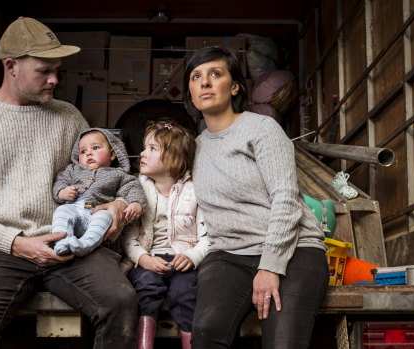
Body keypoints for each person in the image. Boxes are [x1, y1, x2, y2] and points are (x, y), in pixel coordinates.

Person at [0, 17, 138, 349]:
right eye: (44, 71)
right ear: (11, 66)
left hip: (67, 240)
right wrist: (14, 242)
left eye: (57, 70)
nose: (55, 79)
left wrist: (116, 203)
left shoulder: (69, 117)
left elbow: (96, 177)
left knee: (121, 302)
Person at [184, 46, 329, 348]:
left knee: (283, 342)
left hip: (293, 249)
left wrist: (270, 266)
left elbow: (286, 199)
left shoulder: (261, 128)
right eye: (196, 77)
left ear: (235, 86)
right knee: (207, 332)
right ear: (191, 90)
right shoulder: (194, 148)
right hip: (229, 254)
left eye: (216, 74)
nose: (205, 83)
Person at [122, 120, 209, 349]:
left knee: (186, 293)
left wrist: (192, 256)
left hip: (184, 261)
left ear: (176, 159)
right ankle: (143, 344)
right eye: (145, 147)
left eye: (152, 149)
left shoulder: (195, 190)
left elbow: (208, 236)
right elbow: (129, 237)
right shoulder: (137, 190)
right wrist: (144, 259)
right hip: (150, 258)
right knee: (146, 287)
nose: (142, 152)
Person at [52, 127, 146, 257]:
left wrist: (136, 203)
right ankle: (62, 241)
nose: (88, 154)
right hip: (74, 208)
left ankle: (85, 244)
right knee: (61, 212)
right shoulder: (72, 170)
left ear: (112, 154)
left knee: (106, 217)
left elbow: (132, 187)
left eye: (95, 148)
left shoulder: (118, 174)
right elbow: (60, 180)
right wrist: (61, 192)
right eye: (83, 151)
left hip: (98, 211)